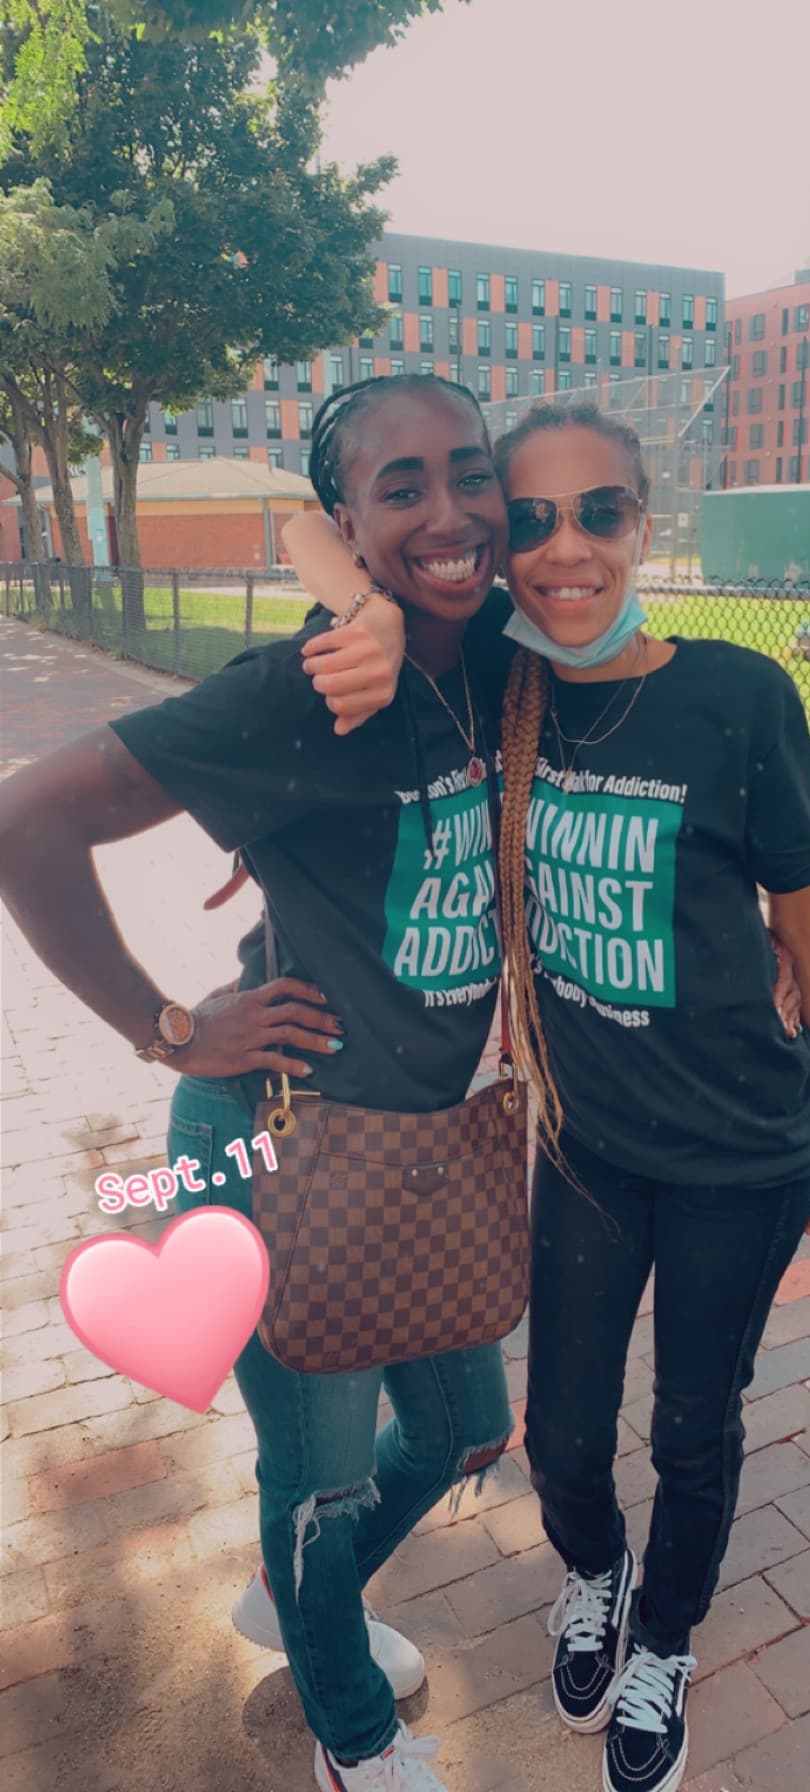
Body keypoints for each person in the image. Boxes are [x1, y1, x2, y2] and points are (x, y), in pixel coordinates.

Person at [285, 400, 810, 1792]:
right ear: (504, 544)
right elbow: (302, 520)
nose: (565, 549)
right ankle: (599, 1575)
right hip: (585, 1144)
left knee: (694, 1425)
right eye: (532, 519)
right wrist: (364, 617)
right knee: (558, 1432)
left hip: (741, 1156)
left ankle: (666, 1638)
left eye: (599, 513)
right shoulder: (508, 669)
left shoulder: (740, 699)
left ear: (644, 523)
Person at [0, 373, 520, 1792]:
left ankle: (300, 1597)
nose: (448, 510)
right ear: (345, 517)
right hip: (277, 1147)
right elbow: (27, 821)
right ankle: (354, 1737)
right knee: (321, 1478)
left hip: (428, 1150)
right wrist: (170, 1030)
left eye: (468, 472)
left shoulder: (486, 654)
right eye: (398, 486)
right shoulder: (300, 691)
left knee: (471, 1426)